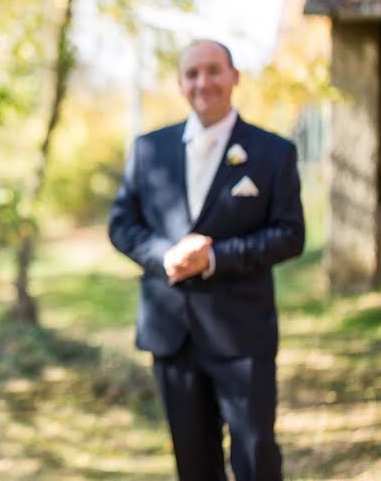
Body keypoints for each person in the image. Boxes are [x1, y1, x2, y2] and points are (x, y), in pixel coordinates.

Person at [108, 39, 305, 481]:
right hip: (172, 334)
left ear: (234, 76)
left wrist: (215, 257)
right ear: (180, 83)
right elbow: (122, 225)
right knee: (194, 465)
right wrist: (166, 256)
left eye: (214, 70)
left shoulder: (274, 153)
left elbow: (290, 235)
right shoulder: (148, 150)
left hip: (243, 335)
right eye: (192, 74)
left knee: (256, 458)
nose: (204, 82)